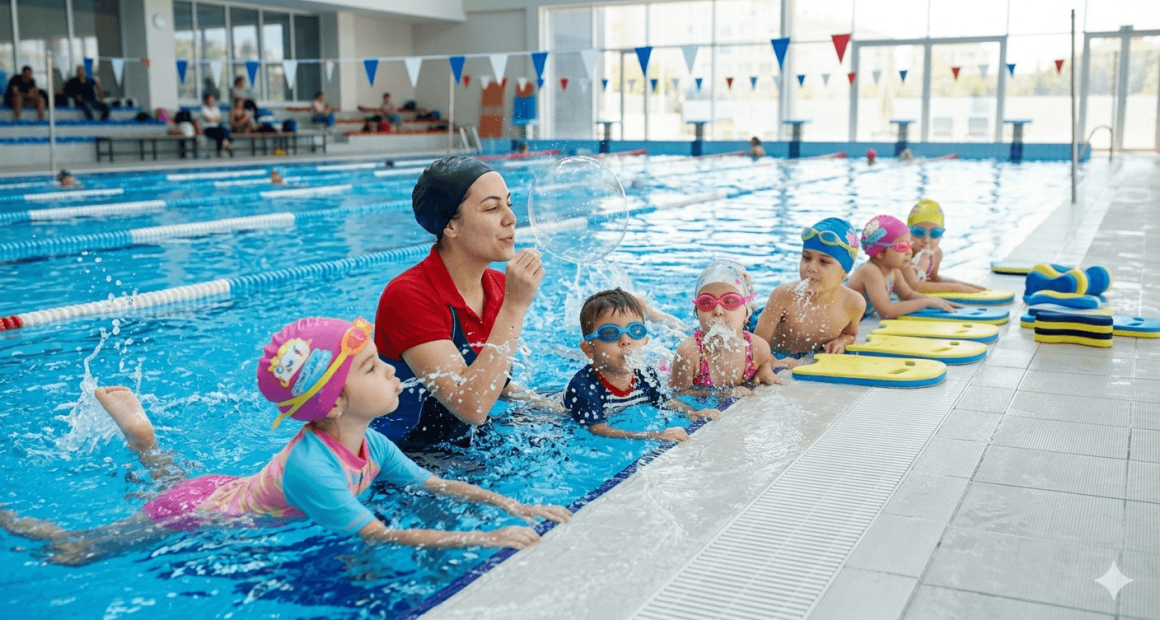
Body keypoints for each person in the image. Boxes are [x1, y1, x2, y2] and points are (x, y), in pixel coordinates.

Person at [0, 317, 571, 566]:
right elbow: (384, 535)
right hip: (197, 518)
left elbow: (442, 484)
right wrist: (489, 539)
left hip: (224, 490)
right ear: (336, 403)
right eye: (373, 369)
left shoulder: (368, 442)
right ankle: (15, 520)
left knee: (175, 478)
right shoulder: (312, 469)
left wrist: (516, 505)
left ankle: (145, 441)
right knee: (76, 548)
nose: (395, 373)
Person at [373, 157, 559, 450]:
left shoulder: (498, 285)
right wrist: (514, 306)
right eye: (492, 207)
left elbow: (491, 375)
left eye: (508, 204)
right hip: (407, 460)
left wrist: (549, 407)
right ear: (450, 226)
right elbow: (470, 406)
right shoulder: (408, 296)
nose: (511, 218)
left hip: (464, 445)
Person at [566, 289, 718, 443]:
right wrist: (655, 436)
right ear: (589, 349)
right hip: (563, 410)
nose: (625, 340)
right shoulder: (583, 386)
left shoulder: (644, 375)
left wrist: (692, 412)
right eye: (610, 333)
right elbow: (598, 429)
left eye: (635, 331)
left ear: (645, 340)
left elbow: (664, 401)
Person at [753, 218, 866, 357]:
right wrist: (773, 362)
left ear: (844, 272)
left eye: (824, 261)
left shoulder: (854, 303)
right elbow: (757, 348)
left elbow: (850, 334)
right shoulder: (783, 295)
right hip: (772, 346)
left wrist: (842, 341)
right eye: (806, 258)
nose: (811, 268)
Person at [670, 261, 783, 399]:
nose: (718, 311)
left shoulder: (758, 348)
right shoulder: (689, 354)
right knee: (675, 329)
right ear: (697, 312)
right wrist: (721, 395)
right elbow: (675, 395)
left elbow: (765, 360)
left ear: (747, 313)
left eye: (730, 301)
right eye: (706, 302)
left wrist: (764, 369)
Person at [845, 215, 958, 320]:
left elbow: (907, 295)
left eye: (909, 245)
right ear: (879, 253)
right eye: (902, 247)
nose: (909, 252)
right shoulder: (870, 271)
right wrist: (926, 303)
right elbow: (886, 312)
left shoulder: (894, 271)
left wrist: (934, 300)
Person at [900, 199, 986, 294]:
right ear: (907, 231)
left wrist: (966, 285)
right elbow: (913, 286)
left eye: (935, 233)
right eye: (918, 232)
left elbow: (934, 279)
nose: (926, 240)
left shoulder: (936, 254)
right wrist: (956, 288)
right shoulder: (902, 253)